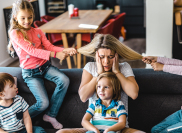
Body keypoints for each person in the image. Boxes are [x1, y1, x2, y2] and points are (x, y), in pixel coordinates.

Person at [8, 0, 77, 129]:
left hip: (45, 67)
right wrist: (56, 55)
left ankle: (51, 115)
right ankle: (19, 119)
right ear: (15, 17)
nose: (27, 21)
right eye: (23, 18)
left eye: (29, 17)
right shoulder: (15, 33)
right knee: (43, 103)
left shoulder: (38, 31)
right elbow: (32, 51)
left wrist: (64, 50)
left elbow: (49, 46)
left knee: (64, 80)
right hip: (30, 73)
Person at [57, 34, 145, 133]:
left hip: (118, 129)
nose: (106, 61)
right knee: (61, 132)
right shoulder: (90, 67)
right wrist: (98, 73)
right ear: (96, 55)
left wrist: (117, 72)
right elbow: (83, 97)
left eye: (110, 57)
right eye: (102, 57)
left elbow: (133, 94)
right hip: (93, 128)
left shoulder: (124, 67)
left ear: (116, 55)